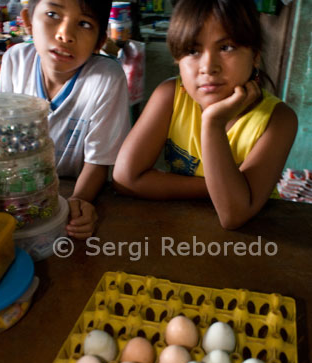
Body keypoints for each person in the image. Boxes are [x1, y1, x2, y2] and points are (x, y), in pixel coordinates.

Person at [113, 0, 298, 229]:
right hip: (182, 230)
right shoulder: (170, 96)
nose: (208, 66)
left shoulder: (278, 120)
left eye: (226, 47)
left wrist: (213, 123)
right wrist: (222, 188)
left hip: (256, 240)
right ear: (178, 60)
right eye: (193, 51)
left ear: (255, 56)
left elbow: (234, 215)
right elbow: (125, 179)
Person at [0, 0, 131, 239]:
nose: (65, 35)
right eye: (52, 14)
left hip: (71, 188)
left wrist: (78, 200)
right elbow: (2, 141)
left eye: (84, 23)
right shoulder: (15, 61)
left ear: (100, 42)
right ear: (28, 21)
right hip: (19, 194)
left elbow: (98, 162)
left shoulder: (106, 78)